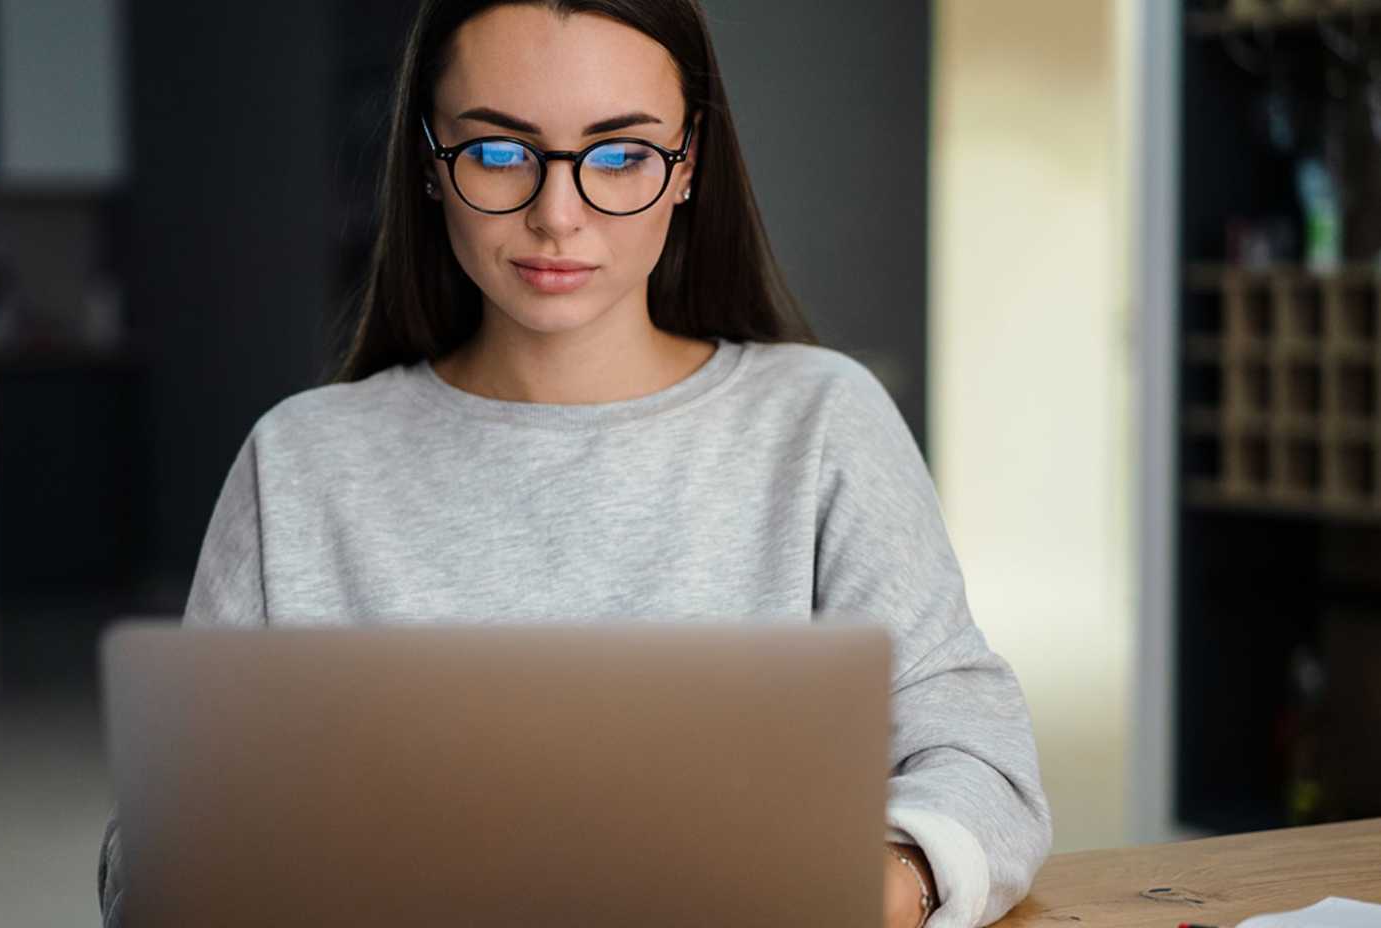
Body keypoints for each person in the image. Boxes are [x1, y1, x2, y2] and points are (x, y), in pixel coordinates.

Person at [98, 1, 1052, 925]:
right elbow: (151, 858)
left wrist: (893, 882)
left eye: (624, 154)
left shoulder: (821, 421)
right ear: (430, 165)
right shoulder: (298, 462)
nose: (559, 214)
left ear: (689, 168)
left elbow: (981, 761)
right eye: (500, 151)